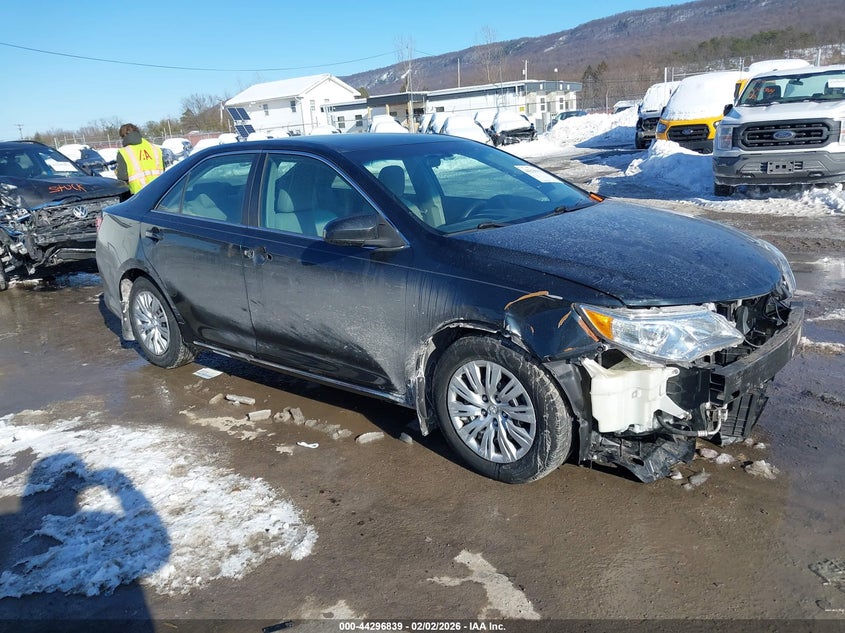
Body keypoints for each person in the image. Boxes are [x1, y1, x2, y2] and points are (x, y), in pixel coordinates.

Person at [115, 123, 164, 196]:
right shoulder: (155, 148)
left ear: (123, 136)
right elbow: (163, 168)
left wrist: (117, 171)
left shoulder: (124, 152)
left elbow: (122, 177)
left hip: (139, 195)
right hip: (161, 191)